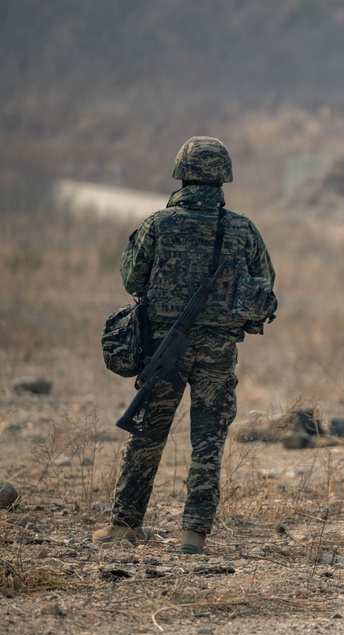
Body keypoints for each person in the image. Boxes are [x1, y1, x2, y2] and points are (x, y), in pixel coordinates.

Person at [93, 136, 277, 554]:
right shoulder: (243, 229)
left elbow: (131, 279)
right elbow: (265, 283)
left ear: (181, 172)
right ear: (224, 177)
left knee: (148, 433)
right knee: (208, 440)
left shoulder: (159, 224)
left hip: (165, 346)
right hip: (218, 348)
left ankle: (125, 525)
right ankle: (194, 532)